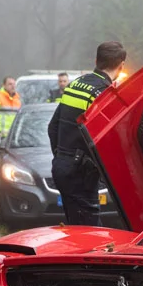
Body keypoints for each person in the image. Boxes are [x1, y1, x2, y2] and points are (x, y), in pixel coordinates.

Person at [48, 41, 127, 226]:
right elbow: (105, 142)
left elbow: (53, 127)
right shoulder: (103, 94)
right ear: (121, 65)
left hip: (62, 168)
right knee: (90, 232)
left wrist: (61, 158)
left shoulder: (76, 84)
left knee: (75, 227)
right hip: (80, 175)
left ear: (96, 60)